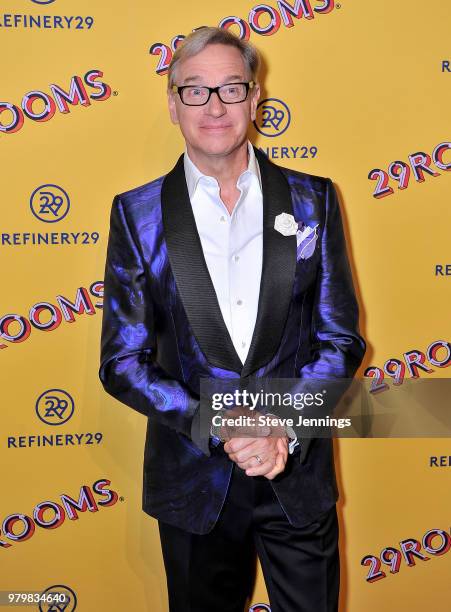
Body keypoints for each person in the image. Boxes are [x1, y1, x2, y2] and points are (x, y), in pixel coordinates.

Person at [99, 26, 366, 612]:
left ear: (254, 99)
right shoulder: (136, 214)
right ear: (173, 104)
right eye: (195, 91)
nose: (214, 106)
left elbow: (339, 338)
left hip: (295, 471)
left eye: (230, 88)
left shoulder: (313, 199)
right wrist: (223, 425)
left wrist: (280, 428)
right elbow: (122, 362)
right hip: (194, 481)